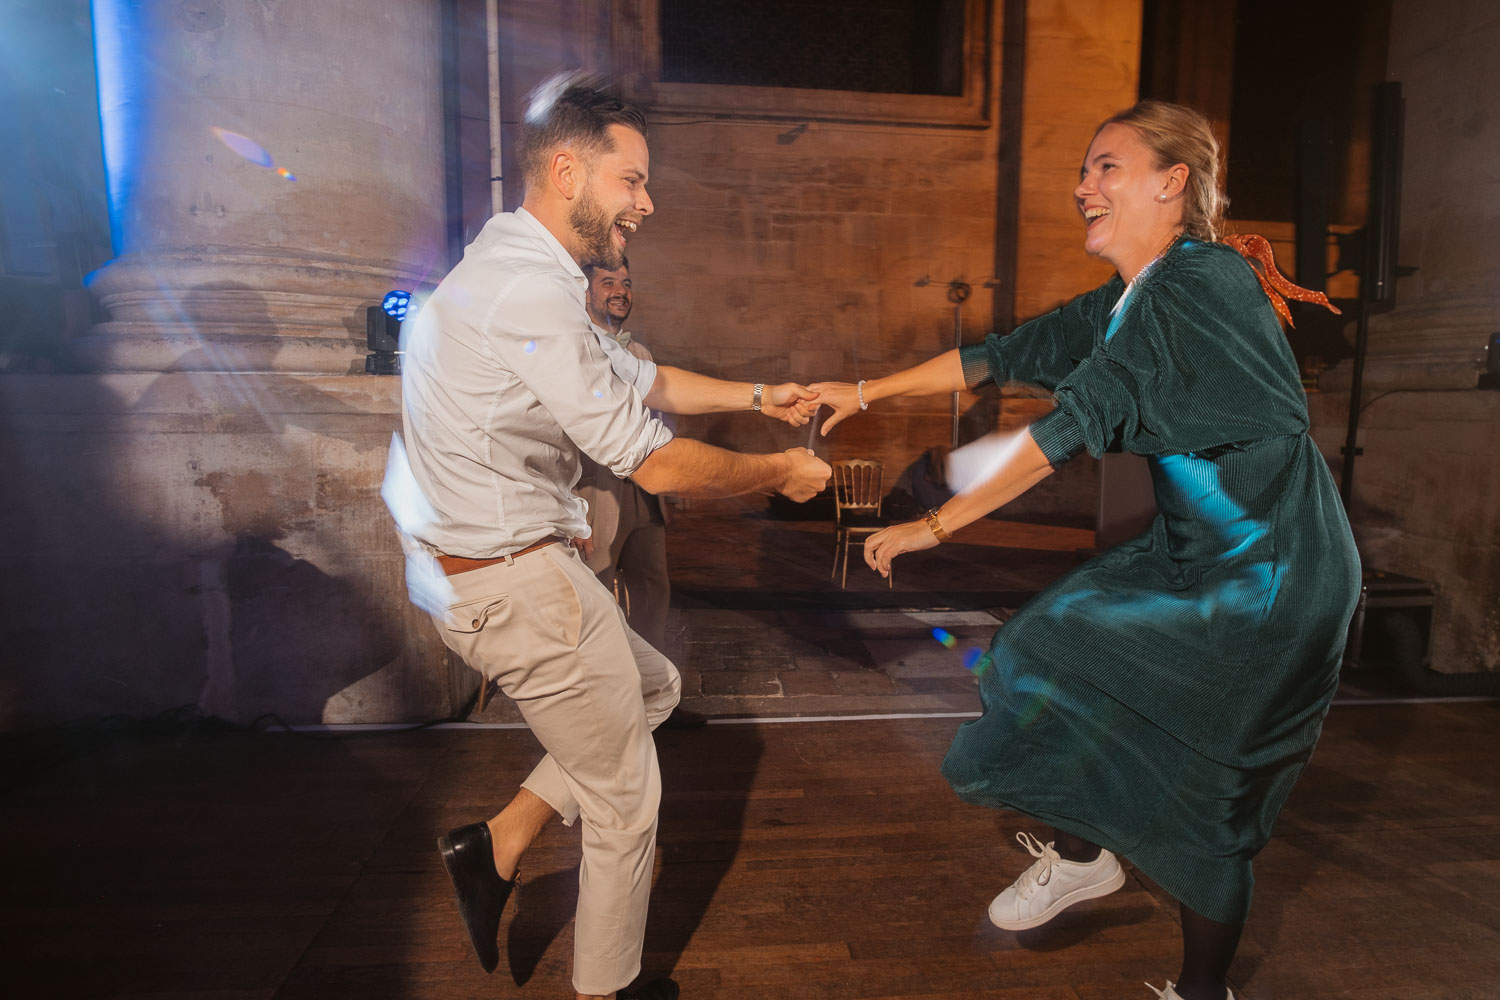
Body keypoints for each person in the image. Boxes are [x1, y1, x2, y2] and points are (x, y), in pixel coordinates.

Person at [811, 101, 1358, 1000]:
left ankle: (1202, 988)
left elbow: (1072, 424)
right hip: (1196, 557)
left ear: (1169, 183)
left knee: (1208, 794)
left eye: (1107, 166)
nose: (1083, 186)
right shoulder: (1134, 296)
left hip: (1276, 572)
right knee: (1044, 653)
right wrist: (863, 390)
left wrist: (933, 526)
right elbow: (1000, 356)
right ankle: (1084, 856)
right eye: (1084, 169)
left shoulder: (1201, 281)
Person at [388, 73, 829, 1000]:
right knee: (627, 803)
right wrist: (779, 473)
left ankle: (498, 842)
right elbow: (655, 461)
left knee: (657, 687)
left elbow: (644, 375)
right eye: (630, 181)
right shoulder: (527, 292)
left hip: (517, 570)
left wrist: (759, 397)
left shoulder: (529, 272)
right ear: (566, 171)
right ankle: (611, 991)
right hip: (512, 581)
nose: (646, 202)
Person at [571, 258, 703, 729]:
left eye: (626, 283)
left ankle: (653, 704)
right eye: (608, 282)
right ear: (585, 291)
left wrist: (678, 477)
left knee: (652, 592)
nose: (620, 291)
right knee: (596, 596)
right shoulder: (573, 345)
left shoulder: (640, 351)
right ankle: (600, 712)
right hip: (594, 493)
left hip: (644, 495)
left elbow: (659, 420)